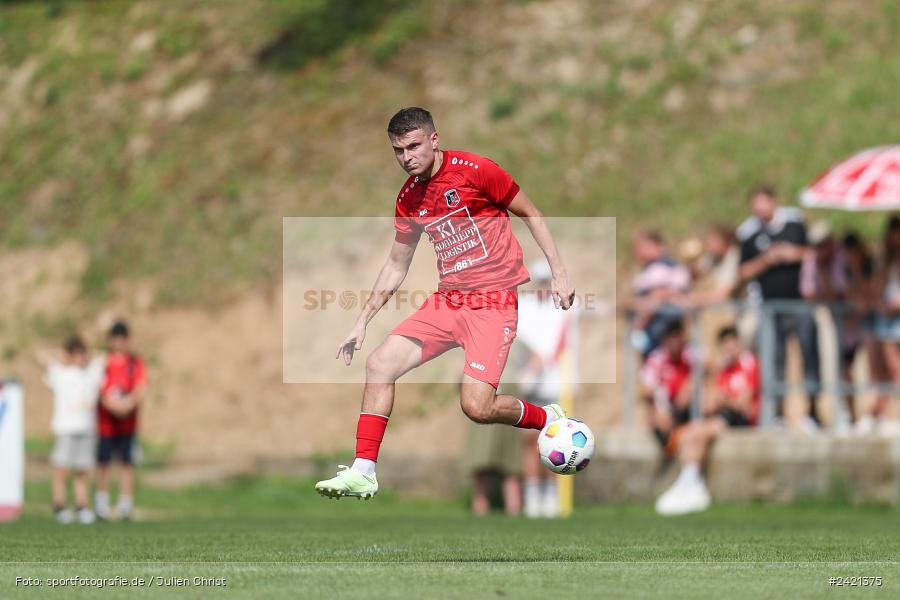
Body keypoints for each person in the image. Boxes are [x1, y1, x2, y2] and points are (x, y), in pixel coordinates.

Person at [316, 107, 576, 500]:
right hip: (449, 301)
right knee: (379, 363)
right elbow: (395, 264)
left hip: (493, 302)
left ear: (434, 140)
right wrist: (362, 321)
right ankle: (364, 471)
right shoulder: (408, 199)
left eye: (414, 146)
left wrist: (559, 272)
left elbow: (532, 214)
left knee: (477, 406)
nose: (407, 157)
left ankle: (547, 417)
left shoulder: (476, 170)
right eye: (398, 150)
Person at [737, 184, 820, 429]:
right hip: (769, 309)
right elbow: (743, 271)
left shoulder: (795, 222)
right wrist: (767, 259)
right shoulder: (748, 232)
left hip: (800, 304)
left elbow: (813, 253)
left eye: (764, 202)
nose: (761, 209)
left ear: (774, 201)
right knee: (775, 362)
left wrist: (792, 253)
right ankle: (778, 414)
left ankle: (812, 412)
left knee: (809, 358)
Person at [655, 326, 759, 515]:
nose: (729, 349)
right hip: (722, 415)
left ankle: (692, 482)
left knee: (698, 431)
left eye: (732, 343)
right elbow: (709, 405)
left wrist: (724, 398)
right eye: (725, 345)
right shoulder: (722, 370)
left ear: (738, 343)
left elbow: (745, 404)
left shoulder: (748, 364)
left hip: (739, 418)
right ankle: (689, 481)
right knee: (690, 431)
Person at [515, 259, 576, 518]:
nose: (540, 288)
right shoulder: (524, 308)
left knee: (555, 442)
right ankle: (533, 496)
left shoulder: (560, 308)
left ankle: (551, 495)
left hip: (553, 383)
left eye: (544, 282)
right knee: (530, 441)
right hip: (529, 382)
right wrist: (529, 367)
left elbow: (561, 338)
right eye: (537, 282)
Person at [36, 336, 105, 525]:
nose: (79, 358)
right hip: (66, 428)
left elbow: (103, 356)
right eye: (75, 354)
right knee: (61, 469)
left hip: (86, 428)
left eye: (81, 354)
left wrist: (88, 356)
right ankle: (59, 506)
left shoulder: (92, 372)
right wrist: (63, 356)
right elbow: (41, 356)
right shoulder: (60, 373)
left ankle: (82, 506)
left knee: (82, 470)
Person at [95, 321, 147, 520]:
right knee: (103, 462)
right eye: (115, 338)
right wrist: (112, 406)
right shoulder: (102, 362)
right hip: (106, 423)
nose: (118, 342)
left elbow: (141, 388)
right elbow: (98, 390)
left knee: (126, 462)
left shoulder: (134, 362)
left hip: (128, 422)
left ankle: (125, 503)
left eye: (122, 338)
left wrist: (127, 406)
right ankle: (102, 502)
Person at [629, 230, 692, 357]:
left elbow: (660, 296)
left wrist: (640, 323)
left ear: (654, 245)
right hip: (654, 334)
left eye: (641, 246)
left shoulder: (662, 269)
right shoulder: (650, 268)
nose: (637, 251)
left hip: (662, 335)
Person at [639, 320, 695, 459]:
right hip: (664, 406)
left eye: (678, 337)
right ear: (665, 340)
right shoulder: (657, 359)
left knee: (693, 385)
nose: (675, 342)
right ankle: (669, 439)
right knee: (657, 407)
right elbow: (646, 389)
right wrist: (661, 407)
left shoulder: (690, 354)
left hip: (685, 408)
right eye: (671, 337)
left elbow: (708, 366)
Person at [466, 418, 522, 516]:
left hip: (510, 410)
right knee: (481, 463)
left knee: (512, 466)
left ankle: (514, 512)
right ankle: (480, 512)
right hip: (483, 410)